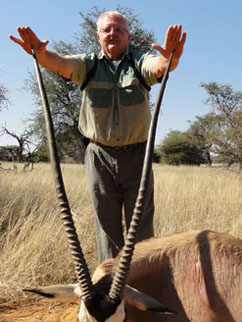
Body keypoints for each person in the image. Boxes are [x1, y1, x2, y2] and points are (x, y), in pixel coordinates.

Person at [10, 12, 186, 262]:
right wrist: (40, 54)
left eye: (119, 30)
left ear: (128, 35)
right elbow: (60, 63)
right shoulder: (88, 64)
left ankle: (143, 286)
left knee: (142, 226)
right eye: (107, 30)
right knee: (106, 226)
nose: (113, 34)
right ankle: (111, 290)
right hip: (98, 155)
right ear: (99, 36)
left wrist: (170, 58)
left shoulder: (139, 61)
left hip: (138, 155)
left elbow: (157, 67)